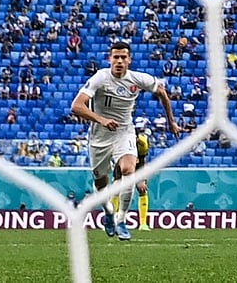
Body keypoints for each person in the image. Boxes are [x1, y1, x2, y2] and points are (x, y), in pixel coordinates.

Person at [70, 42, 179, 241]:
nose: (119, 61)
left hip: (124, 132)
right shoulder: (101, 78)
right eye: (116, 57)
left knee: (128, 170)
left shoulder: (138, 79)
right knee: (101, 184)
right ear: (109, 59)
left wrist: (171, 122)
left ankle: (121, 220)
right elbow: (76, 106)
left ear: (129, 60)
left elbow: (162, 92)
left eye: (123, 57)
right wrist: (101, 120)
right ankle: (109, 213)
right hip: (99, 138)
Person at [111, 129, 153, 232]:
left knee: (142, 188)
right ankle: (111, 221)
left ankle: (143, 224)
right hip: (122, 162)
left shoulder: (142, 142)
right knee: (116, 188)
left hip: (138, 164)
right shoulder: (120, 142)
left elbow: (143, 156)